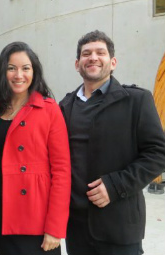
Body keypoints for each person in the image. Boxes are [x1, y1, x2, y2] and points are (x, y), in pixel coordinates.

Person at [59, 30, 165, 255]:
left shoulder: (136, 100)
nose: (93, 57)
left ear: (113, 62)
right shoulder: (64, 106)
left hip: (119, 227)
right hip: (76, 229)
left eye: (100, 52)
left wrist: (116, 185)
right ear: (77, 64)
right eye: (86, 54)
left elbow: (158, 153)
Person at [0, 41, 71, 255]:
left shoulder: (49, 110)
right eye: (11, 68)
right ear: (3, 72)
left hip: (36, 220)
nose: (18, 75)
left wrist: (55, 227)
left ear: (34, 71)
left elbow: (62, 171)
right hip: (2, 215)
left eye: (25, 68)